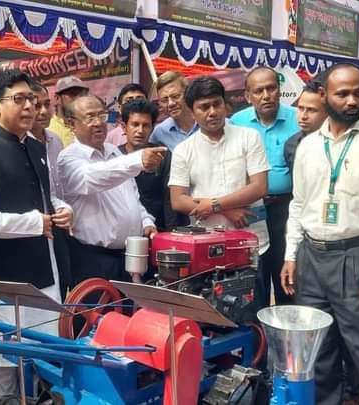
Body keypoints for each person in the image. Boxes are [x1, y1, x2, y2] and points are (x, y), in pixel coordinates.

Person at [281, 63, 359, 405]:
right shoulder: (308, 146)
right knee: (318, 351)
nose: (352, 101)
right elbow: (298, 204)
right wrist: (291, 254)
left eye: (358, 93)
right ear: (324, 95)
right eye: (343, 94)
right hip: (311, 258)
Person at [0, 69, 73, 403]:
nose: (29, 107)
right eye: (19, 99)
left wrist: (61, 208)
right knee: (5, 367)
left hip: (43, 272)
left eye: (32, 100)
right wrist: (34, 223)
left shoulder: (35, 147)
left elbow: (45, 196)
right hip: (2, 281)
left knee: (45, 358)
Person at [168, 76, 270, 305]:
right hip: (206, 248)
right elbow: (178, 200)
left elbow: (259, 187)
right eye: (204, 107)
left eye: (217, 104)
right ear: (192, 112)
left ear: (225, 105)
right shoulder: (183, 150)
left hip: (249, 244)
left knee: (252, 313)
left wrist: (214, 204)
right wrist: (225, 210)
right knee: (212, 314)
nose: (212, 112)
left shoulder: (249, 138)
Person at [58, 95, 165, 284]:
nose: (98, 123)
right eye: (90, 117)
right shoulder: (68, 158)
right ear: (71, 123)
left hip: (129, 255)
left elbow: (132, 197)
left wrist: (146, 221)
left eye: (102, 115)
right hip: (94, 259)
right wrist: (137, 160)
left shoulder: (113, 151)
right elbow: (94, 177)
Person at [230, 66, 300, 306]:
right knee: (254, 277)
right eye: (259, 91)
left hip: (286, 209)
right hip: (251, 210)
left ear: (280, 91)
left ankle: (286, 325)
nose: (266, 96)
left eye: (271, 88)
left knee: (287, 276)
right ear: (248, 96)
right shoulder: (237, 122)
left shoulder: (298, 118)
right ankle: (257, 328)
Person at [119, 99, 187, 231]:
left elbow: (169, 199)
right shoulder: (115, 156)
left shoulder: (162, 156)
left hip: (158, 229)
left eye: (146, 125)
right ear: (124, 126)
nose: (140, 130)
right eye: (135, 124)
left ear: (152, 128)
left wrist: (171, 234)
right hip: (123, 231)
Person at [30, 82, 65, 199]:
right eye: (37, 106)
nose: (44, 111)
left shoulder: (55, 140)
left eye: (47, 104)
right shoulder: (20, 145)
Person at [284, 80, 328, 171]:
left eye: (311, 110)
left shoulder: (337, 144)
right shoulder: (291, 144)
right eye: (300, 108)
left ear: (327, 113)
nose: (303, 116)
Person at [150, 71, 198, 150]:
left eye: (175, 96)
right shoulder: (159, 132)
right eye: (164, 100)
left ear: (188, 93)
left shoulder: (207, 121)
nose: (171, 104)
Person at [48, 75, 89, 147]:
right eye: (73, 94)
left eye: (83, 95)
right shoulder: (48, 129)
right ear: (57, 98)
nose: (79, 99)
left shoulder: (89, 126)